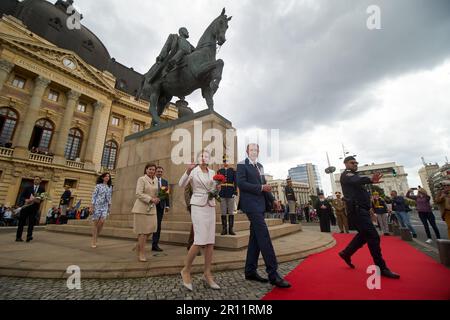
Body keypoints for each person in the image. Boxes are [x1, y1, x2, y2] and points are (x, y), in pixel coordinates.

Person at [237, 143, 291, 288]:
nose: (254, 151)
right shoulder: (242, 165)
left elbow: (265, 184)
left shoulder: (260, 166)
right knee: (264, 236)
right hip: (250, 205)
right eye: (251, 149)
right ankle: (273, 274)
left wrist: (273, 200)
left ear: (258, 152)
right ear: (247, 151)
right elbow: (241, 183)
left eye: (256, 149)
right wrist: (260, 188)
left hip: (261, 205)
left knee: (255, 238)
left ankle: (250, 271)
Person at [338, 156, 400, 279]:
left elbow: (360, 192)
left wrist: (369, 209)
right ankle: (381, 268)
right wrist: (370, 180)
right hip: (357, 212)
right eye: (352, 162)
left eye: (356, 163)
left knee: (363, 235)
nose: (355, 164)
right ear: (345, 164)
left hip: (363, 211)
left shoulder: (354, 176)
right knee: (373, 236)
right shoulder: (347, 175)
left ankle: (346, 253)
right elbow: (357, 180)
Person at [179, 150, 221, 291]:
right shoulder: (193, 171)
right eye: (202, 156)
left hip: (210, 206)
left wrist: (217, 189)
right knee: (199, 240)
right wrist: (187, 170)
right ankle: (186, 270)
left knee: (210, 241)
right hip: (197, 205)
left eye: (207, 156)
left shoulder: (212, 172)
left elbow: (213, 189)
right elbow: (181, 184)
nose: (204, 158)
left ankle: (207, 273)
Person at [131, 164, 159, 262]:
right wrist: (151, 199)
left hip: (152, 208)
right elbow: (138, 193)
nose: (151, 171)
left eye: (153, 169)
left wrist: (157, 198)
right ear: (146, 170)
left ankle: (138, 244)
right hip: (141, 208)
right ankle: (141, 253)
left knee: (152, 229)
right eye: (150, 169)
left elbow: (156, 192)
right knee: (142, 232)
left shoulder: (156, 180)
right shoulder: (142, 179)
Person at [16, 176, 45, 242]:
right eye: (35, 179)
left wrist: (39, 200)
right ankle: (18, 237)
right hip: (26, 207)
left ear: (40, 181)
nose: (35, 181)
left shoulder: (42, 189)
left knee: (31, 222)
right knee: (21, 222)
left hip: (34, 208)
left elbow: (43, 198)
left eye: (37, 179)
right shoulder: (27, 187)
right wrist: (26, 199)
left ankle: (29, 236)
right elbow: (22, 196)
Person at [90, 173, 112, 248]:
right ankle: (94, 240)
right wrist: (92, 206)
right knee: (95, 224)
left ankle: (96, 236)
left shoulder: (109, 187)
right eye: (106, 176)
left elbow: (109, 198)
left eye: (108, 177)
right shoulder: (98, 186)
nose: (107, 178)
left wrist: (109, 207)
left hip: (105, 206)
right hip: (97, 205)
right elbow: (94, 196)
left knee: (102, 222)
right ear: (102, 178)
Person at [218, 156, 238, 235]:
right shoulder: (219, 171)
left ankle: (231, 229)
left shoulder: (233, 171)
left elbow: (235, 182)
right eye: (224, 161)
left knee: (231, 211)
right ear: (223, 162)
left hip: (230, 191)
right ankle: (224, 229)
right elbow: (217, 183)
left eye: (227, 161)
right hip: (222, 192)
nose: (225, 162)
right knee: (223, 211)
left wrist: (235, 191)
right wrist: (218, 192)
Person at [152, 166, 170, 252]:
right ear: (155, 172)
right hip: (151, 206)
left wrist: (167, 205)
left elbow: (165, 194)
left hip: (161, 206)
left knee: (158, 225)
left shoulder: (164, 182)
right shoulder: (152, 180)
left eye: (161, 172)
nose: (159, 173)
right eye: (158, 171)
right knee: (150, 225)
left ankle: (155, 244)